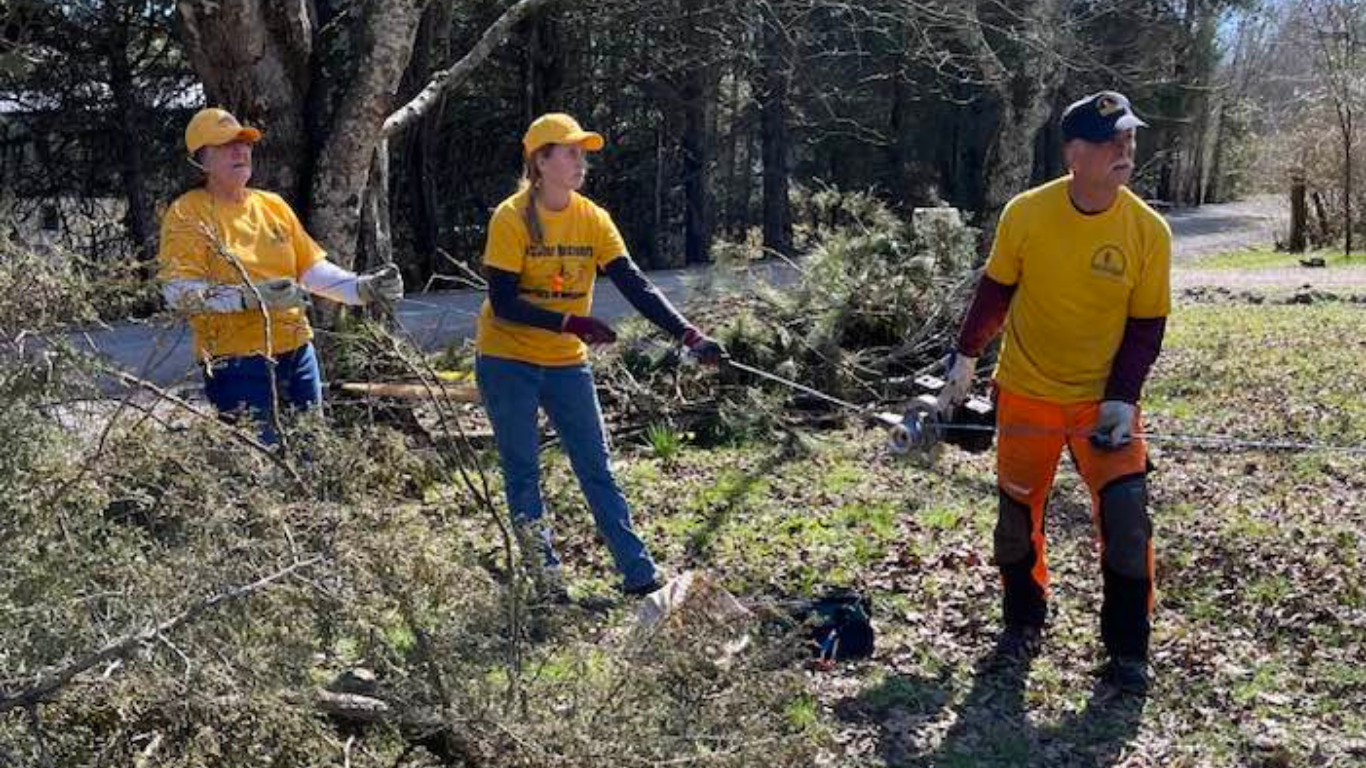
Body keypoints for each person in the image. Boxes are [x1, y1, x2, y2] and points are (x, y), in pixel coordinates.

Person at [937, 91, 1171, 694]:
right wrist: (965, 358)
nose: (1126, 149)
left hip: (1104, 404)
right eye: (1111, 140)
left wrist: (1122, 396)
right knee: (1016, 522)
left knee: (1126, 524)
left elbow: (1147, 327)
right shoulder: (1026, 214)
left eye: (1130, 138)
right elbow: (995, 293)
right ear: (1074, 153)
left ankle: (1127, 651)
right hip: (1027, 393)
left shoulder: (1149, 231)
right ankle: (1023, 623)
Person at [475, 113, 725, 599]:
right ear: (541, 161)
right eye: (569, 152)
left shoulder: (592, 217)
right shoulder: (510, 217)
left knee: (596, 465)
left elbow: (635, 282)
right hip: (507, 360)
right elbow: (503, 302)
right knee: (524, 470)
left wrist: (689, 334)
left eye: (582, 152)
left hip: (566, 363)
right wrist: (574, 323)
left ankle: (638, 574)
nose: (580, 162)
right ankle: (547, 583)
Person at [157, 107, 403, 441]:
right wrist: (247, 298)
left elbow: (310, 269)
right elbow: (177, 292)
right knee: (263, 463)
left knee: (313, 450)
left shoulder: (271, 205)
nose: (240, 150)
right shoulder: (187, 212)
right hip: (237, 363)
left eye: (244, 143)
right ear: (201, 160)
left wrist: (360, 288)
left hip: (298, 352)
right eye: (226, 144)